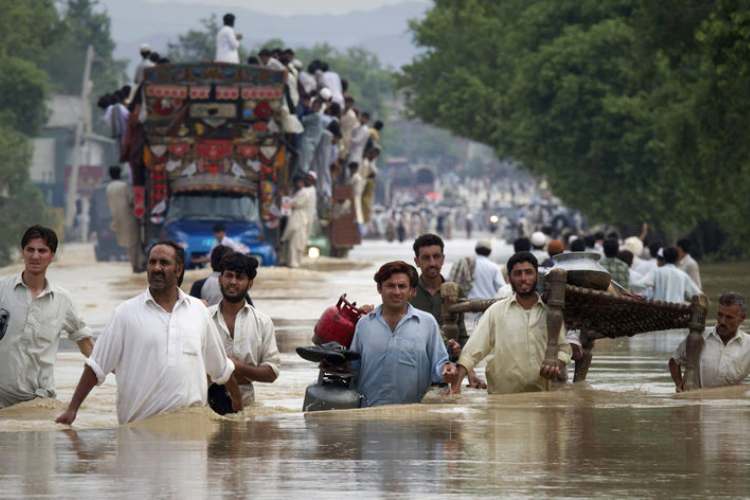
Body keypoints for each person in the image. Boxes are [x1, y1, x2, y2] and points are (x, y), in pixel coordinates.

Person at [56, 242, 242, 425]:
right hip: (140, 433)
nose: (156, 268)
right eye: (152, 262)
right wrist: (72, 409)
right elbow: (96, 367)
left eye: (164, 263)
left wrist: (238, 407)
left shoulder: (198, 312)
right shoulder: (125, 313)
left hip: (190, 435)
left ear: (178, 270)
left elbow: (221, 368)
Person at [451, 252, 572, 394]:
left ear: (536, 277)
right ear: (509, 279)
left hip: (542, 400)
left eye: (528, 273)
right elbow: (472, 351)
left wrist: (556, 364)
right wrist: (456, 386)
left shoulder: (551, 314)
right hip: (502, 402)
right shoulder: (495, 312)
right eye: (518, 274)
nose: (523, 279)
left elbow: (564, 350)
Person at [0, 226, 93, 409]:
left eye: (42, 251)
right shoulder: (2, 290)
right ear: (22, 252)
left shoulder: (62, 300)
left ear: (52, 256)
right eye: (30, 250)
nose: (35, 256)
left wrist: (120, 372)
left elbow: (86, 344)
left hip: (39, 403)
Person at [350, 261, 457, 407]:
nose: (396, 292)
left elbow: (439, 364)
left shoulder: (427, 323)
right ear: (379, 288)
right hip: (369, 415)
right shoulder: (364, 325)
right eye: (390, 285)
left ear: (412, 291)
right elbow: (353, 368)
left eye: (402, 286)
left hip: (412, 418)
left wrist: (447, 370)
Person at [410, 234, 485, 389]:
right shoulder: (407, 292)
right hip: (414, 371)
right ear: (417, 261)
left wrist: (470, 372)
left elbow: (462, 334)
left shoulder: (455, 291)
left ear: (443, 259)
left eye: (436, 257)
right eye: (426, 258)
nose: (432, 263)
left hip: (447, 372)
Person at [208, 253, 280, 406]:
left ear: (250, 283)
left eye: (239, 277)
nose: (233, 282)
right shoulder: (203, 317)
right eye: (229, 276)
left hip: (245, 407)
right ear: (220, 279)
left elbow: (272, 372)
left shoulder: (262, 322)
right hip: (205, 403)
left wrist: (240, 368)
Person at [669, 292, 750, 391]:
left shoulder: (748, 345)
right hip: (697, 401)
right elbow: (674, 361)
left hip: (730, 403)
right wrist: (679, 384)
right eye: (720, 315)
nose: (722, 321)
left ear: (742, 319)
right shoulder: (699, 336)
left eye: (729, 317)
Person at [105, 165, 140, 272]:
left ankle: (134, 265)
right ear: (120, 174)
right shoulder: (124, 186)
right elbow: (131, 200)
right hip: (129, 217)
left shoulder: (108, 187)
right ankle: (136, 266)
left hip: (116, 219)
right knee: (134, 242)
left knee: (128, 244)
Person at [281, 175, 313, 268]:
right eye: (296, 182)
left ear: (302, 183)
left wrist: (285, 198)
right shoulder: (297, 192)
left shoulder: (304, 193)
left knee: (295, 245)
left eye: (299, 182)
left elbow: (293, 204)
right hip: (296, 220)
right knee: (292, 244)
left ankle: (293, 263)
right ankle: (290, 262)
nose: (298, 184)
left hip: (299, 221)